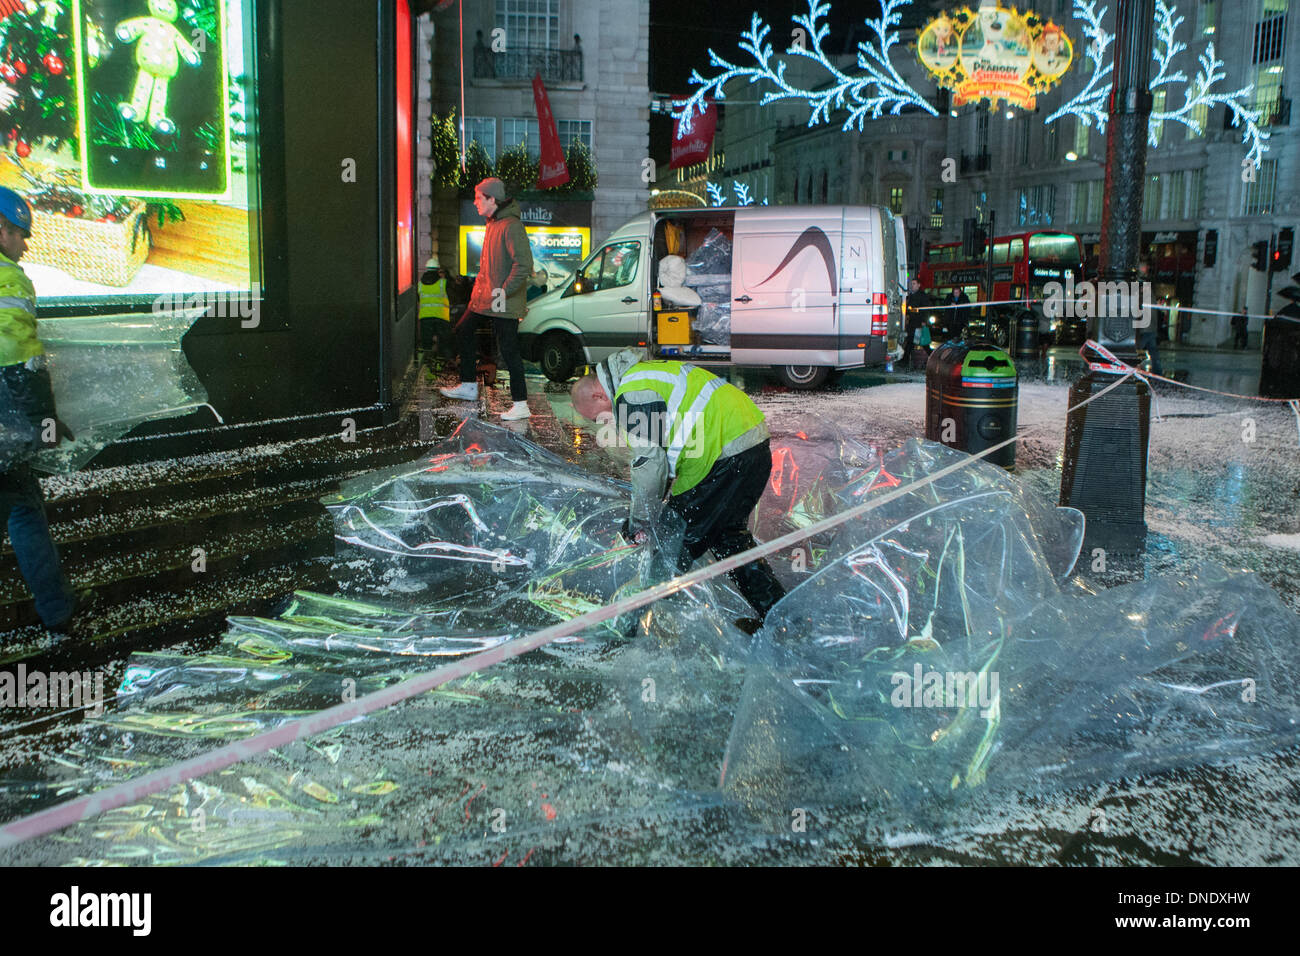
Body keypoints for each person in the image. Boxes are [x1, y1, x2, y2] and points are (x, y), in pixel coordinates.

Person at [570, 349, 786, 631]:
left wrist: (640, 520)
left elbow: (649, 464)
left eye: (601, 415)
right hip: (746, 448)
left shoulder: (630, 393)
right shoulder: (643, 376)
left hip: (724, 458)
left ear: (599, 396)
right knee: (729, 541)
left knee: (670, 547)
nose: (606, 420)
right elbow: (668, 446)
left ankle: (623, 628)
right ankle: (781, 621)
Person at [0, 187, 82, 637]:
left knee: (24, 509)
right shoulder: (8, 278)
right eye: (21, 234)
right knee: (23, 513)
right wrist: (43, 418)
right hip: (6, 422)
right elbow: (19, 356)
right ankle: (58, 620)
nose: (26, 245)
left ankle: (58, 614)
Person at [440, 177, 533, 421]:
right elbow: (487, 269)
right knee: (463, 330)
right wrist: (478, 297)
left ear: (492, 199)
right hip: (486, 299)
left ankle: (521, 403)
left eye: (479, 197)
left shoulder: (511, 225)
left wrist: (503, 290)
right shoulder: (493, 224)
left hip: (502, 299)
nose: (475, 202)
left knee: (510, 350)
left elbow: (523, 264)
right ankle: (469, 385)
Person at [901, 278, 932, 368]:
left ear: (919, 285)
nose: (912, 285)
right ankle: (905, 360)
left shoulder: (922, 296)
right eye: (911, 284)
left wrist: (924, 321)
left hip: (918, 323)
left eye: (914, 284)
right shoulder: (911, 296)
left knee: (923, 343)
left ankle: (932, 356)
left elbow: (926, 310)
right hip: (912, 322)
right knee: (910, 341)